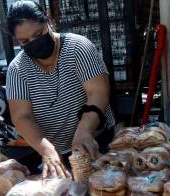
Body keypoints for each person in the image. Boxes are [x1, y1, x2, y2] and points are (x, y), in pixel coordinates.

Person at [6, 0, 115, 178]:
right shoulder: (17, 69)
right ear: (16, 40)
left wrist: (84, 130)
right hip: (56, 153)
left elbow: (98, 92)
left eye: (38, 34)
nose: (34, 42)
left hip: (97, 141)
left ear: (48, 20)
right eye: (25, 41)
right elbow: (21, 116)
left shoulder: (78, 48)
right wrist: (47, 150)